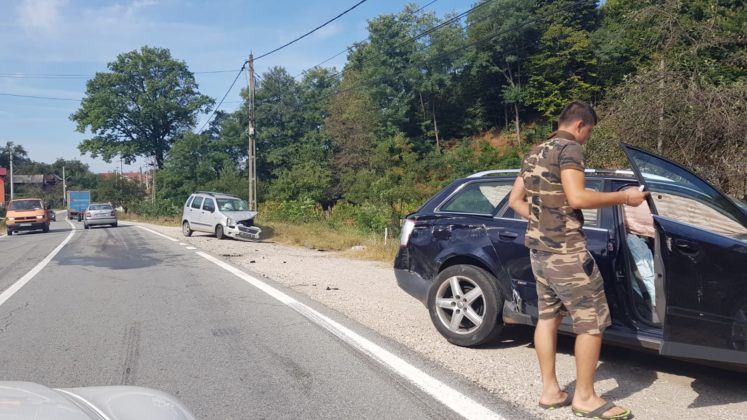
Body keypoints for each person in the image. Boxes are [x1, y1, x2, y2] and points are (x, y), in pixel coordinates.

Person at [508, 101, 648, 420]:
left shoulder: (534, 152)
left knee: (548, 318)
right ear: (580, 125)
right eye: (589, 132)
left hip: (539, 253)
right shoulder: (569, 149)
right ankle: (585, 398)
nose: (586, 138)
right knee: (592, 322)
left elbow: (515, 200)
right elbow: (578, 198)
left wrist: (544, 222)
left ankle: (550, 391)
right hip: (567, 253)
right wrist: (625, 197)